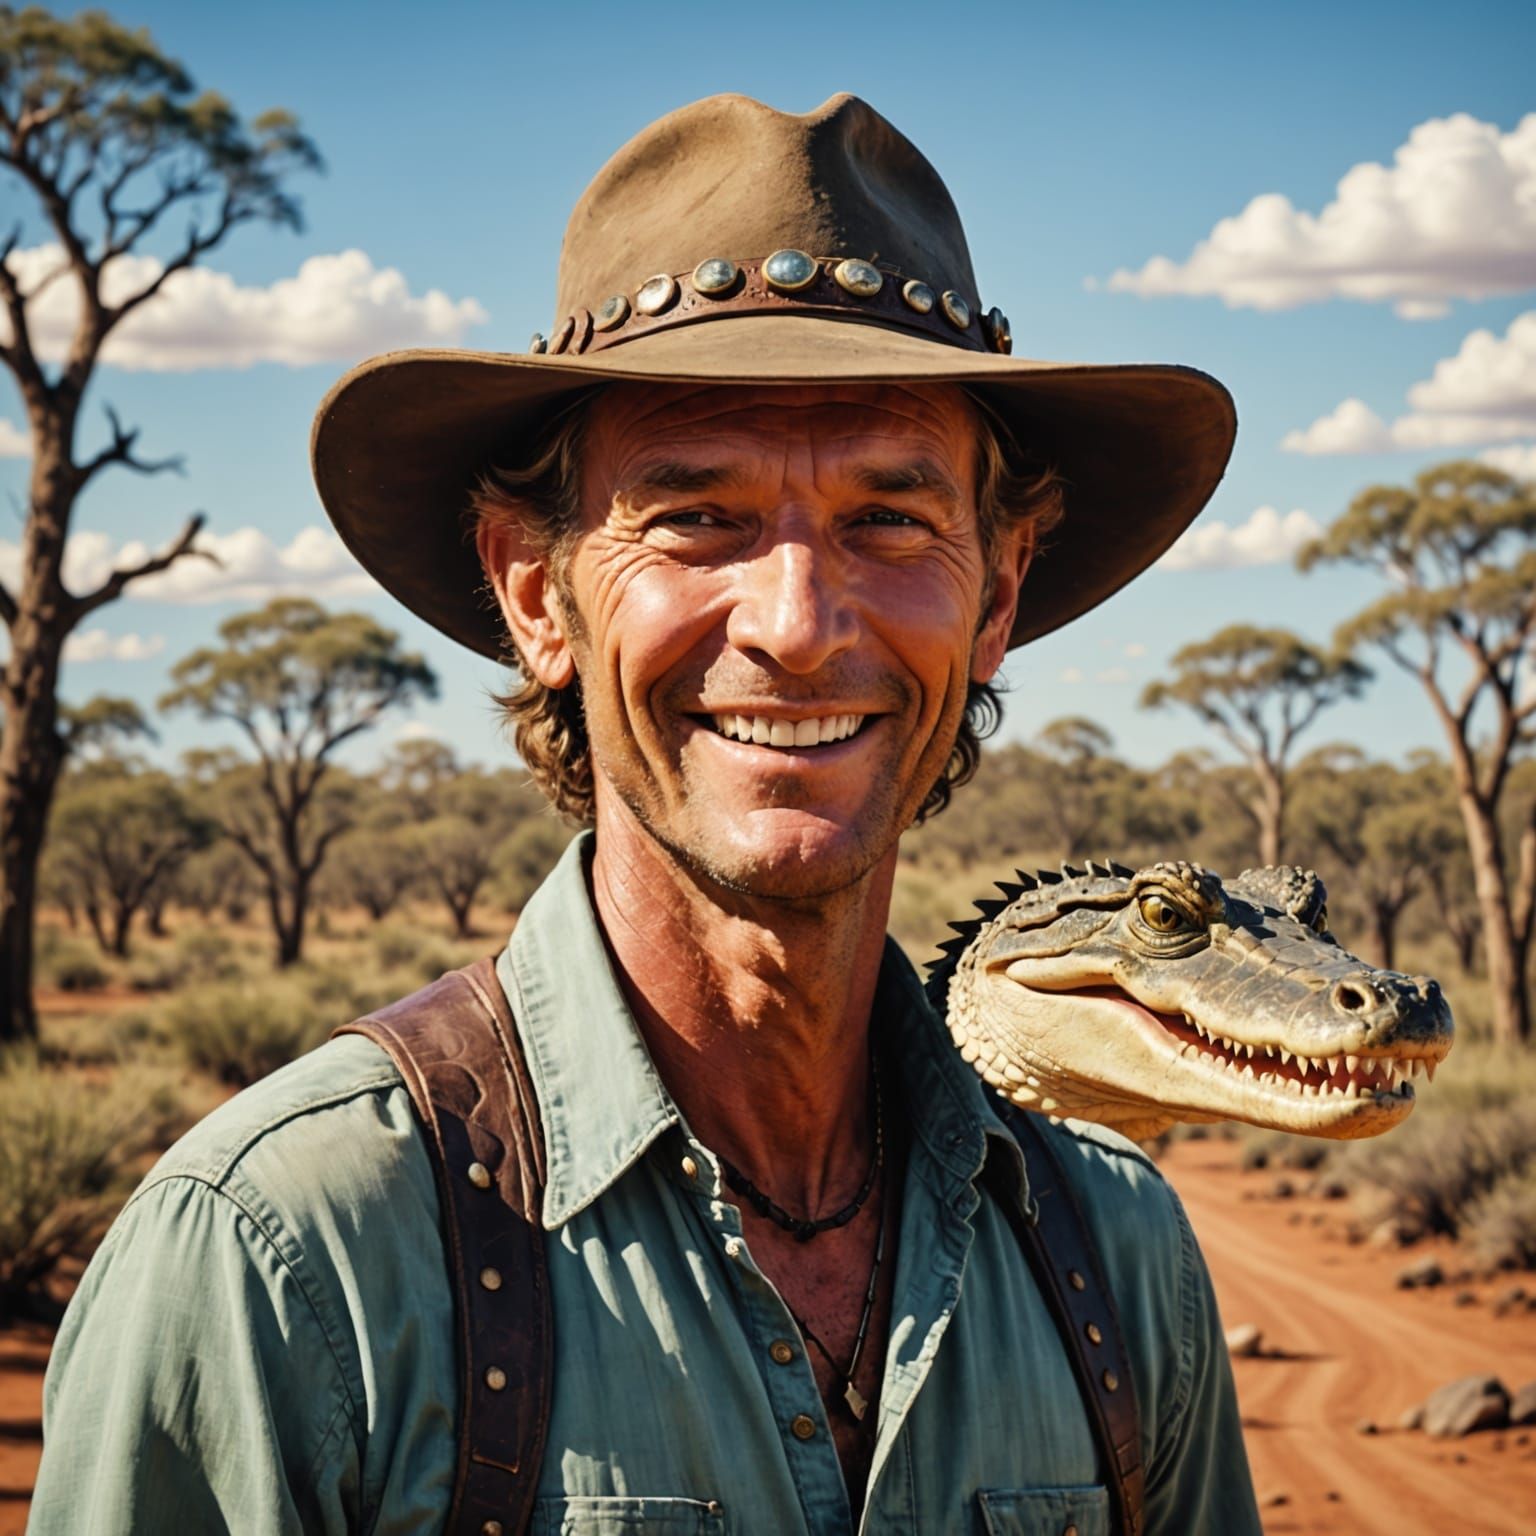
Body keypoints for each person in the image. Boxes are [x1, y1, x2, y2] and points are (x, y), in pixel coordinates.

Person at [31, 93, 1260, 1534]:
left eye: (890, 519)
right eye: (697, 519)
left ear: (996, 595)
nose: (798, 627)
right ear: (537, 594)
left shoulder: (1115, 1257)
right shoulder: (287, 1258)